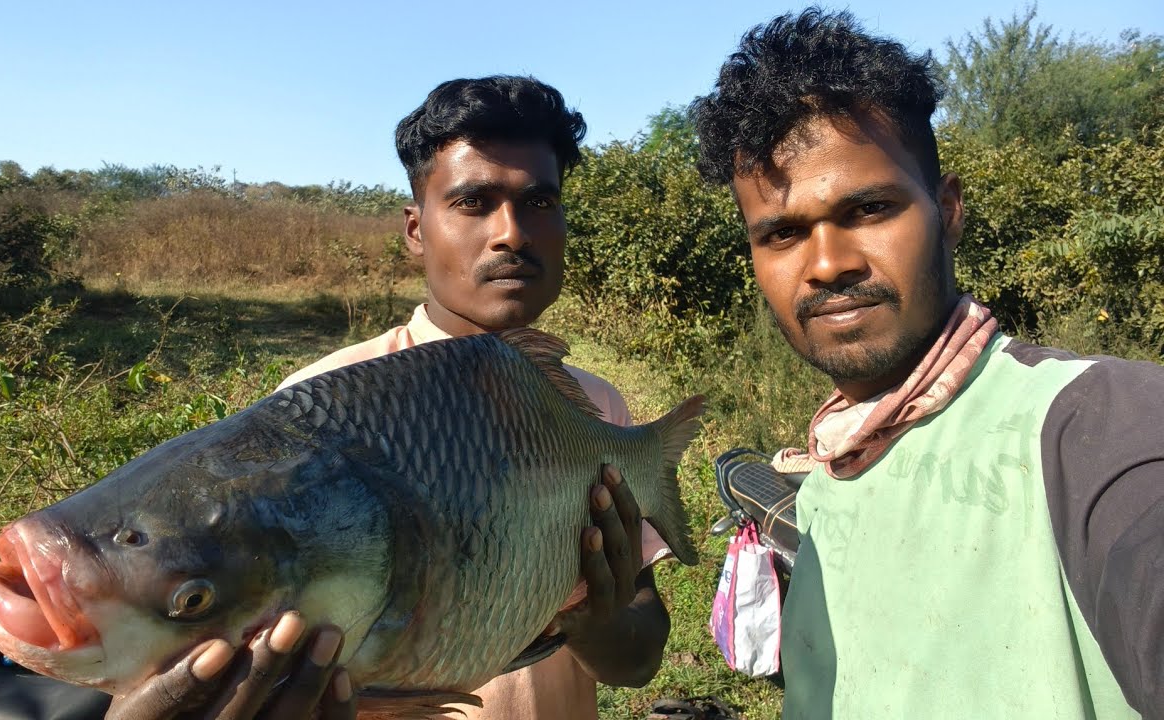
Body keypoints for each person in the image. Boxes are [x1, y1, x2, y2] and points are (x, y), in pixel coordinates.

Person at [107, 75, 675, 720]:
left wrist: (590, 614)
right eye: (473, 202)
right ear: (415, 229)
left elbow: (638, 661)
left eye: (539, 201)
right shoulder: (321, 408)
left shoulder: (594, 407)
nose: (511, 233)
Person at [690, 8, 1162, 719]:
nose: (827, 264)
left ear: (947, 210)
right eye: (783, 232)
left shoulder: (1092, 424)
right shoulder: (828, 475)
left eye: (870, 209)